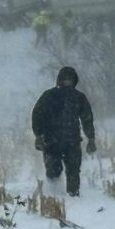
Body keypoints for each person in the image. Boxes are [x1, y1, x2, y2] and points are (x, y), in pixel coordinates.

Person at [31, 66, 96, 197]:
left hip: (72, 141)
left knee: (73, 170)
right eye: (64, 79)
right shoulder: (49, 96)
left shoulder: (79, 97)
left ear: (74, 81)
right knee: (53, 171)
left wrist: (91, 138)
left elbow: (87, 118)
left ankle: (73, 196)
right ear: (59, 80)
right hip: (51, 141)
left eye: (69, 79)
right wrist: (38, 135)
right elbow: (37, 115)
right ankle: (54, 195)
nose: (67, 82)